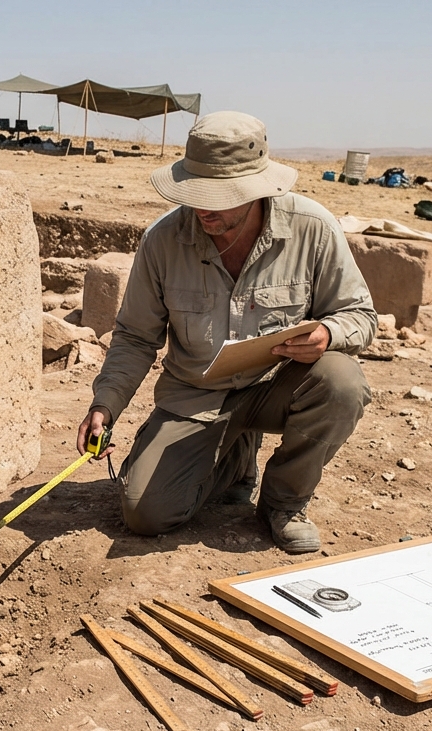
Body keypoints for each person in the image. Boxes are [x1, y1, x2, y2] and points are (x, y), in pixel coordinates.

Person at [74, 111, 376, 554]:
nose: (202, 209)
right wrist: (105, 405)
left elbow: (361, 315)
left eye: (218, 197)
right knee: (144, 513)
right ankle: (232, 461)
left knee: (342, 382)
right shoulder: (163, 241)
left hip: (277, 387)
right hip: (195, 397)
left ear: (257, 189)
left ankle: (282, 503)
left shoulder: (312, 228)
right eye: (195, 192)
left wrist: (328, 335)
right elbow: (136, 338)